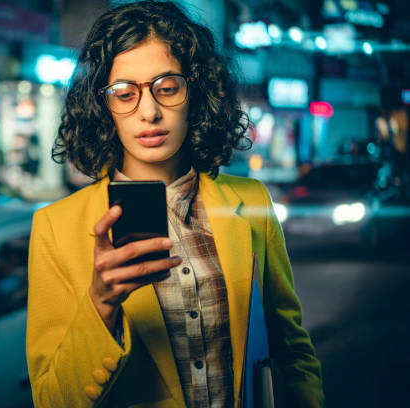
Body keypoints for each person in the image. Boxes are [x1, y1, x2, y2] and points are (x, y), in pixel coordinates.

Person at [26, 2, 324, 407]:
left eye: (167, 88)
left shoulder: (252, 203)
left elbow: (291, 348)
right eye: (124, 93)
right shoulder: (55, 228)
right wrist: (101, 304)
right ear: (103, 105)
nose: (148, 112)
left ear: (194, 90)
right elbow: (50, 398)